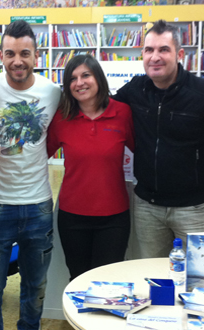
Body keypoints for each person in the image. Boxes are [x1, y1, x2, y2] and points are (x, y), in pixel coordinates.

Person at [113, 20, 204, 258]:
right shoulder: (135, 89)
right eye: (149, 50)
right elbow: (104, 108)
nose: (155, 57)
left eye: (164, 49)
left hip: (194, 209)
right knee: (153, 277)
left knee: (202, 280)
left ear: (180, 54)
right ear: (142, 54)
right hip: (147, 208)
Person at [0, 20, 61, 330]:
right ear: (1, 54)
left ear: (36, 55)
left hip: (39, 206)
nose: (17, 61)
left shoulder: (52, 92)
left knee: (35, 285)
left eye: (24, 53)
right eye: (10, 53)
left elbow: (53, 138)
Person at [47, 54, 134, 281]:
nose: (80, 82)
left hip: (114, 218)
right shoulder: (61, 118)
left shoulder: (123, 113)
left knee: (108, 283)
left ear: (99, 78)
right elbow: (38, 155)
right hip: (72, 217)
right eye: (73, 79)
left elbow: (144, 154)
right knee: (77, 280)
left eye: (86, 75)